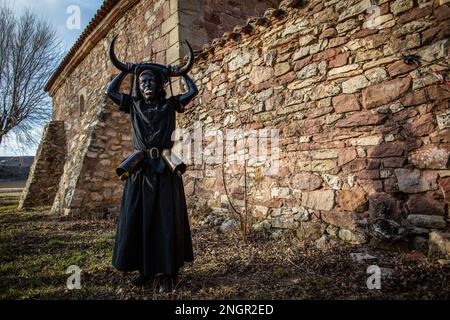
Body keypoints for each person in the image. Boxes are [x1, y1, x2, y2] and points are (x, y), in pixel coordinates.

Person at [106, 36, 198, 293]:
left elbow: (192, 91)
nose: (147, 84)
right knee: (142, 218)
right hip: (140, 169)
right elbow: (110, 92)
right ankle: (145, 270)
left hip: (166, 169)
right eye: (143, 81)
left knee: (166, 219)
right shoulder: (133, 105)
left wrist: (179, 73)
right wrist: (127, 71)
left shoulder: (170, 105)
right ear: (139, 85)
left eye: (151, 81)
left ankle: (168, 272)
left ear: (159, 86)